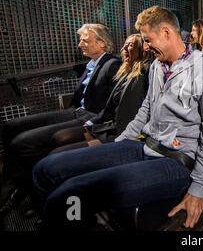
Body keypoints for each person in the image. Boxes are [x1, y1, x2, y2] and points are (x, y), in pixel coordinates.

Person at [32, 6, 203, 230]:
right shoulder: (157, 66)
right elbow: (146, 108)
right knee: (47, 168)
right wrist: (119, 145)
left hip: (176, 161)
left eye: (147, 40)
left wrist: (198, 189)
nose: (146, 46)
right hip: (144, 146)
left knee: (70, 194)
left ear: (166, 32)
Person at [0, 24, 120, 215]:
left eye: (86, 40)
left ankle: (21, 190)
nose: (80, 44)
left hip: (89, 117)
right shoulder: (93, 63)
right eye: (81, 40)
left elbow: (113, 104)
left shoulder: (112, 64)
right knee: (9, 126)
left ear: (102, 43)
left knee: (21, 143)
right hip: (76, 111)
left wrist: (93, 123)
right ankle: (19, 184)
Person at [50, 34, 150, 153]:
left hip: (121, 132)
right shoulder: (125, 73)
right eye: (124, 45)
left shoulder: (145, 73)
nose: (124, 49)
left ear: (142, 49)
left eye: (131, 45)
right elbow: (110, 108)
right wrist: (93, 122)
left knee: (59, 150)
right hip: (109, 126)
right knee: (60, 138)